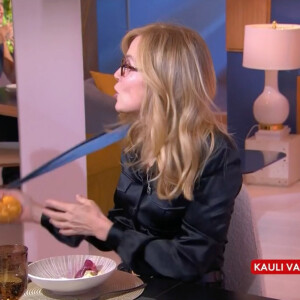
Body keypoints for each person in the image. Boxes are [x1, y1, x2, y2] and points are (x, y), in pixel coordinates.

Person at [2, 23, 242, 285]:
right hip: (136, 283)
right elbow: (121, 228)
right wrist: (33, 211)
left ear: (162, 79)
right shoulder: (137, 142)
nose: (116, 74)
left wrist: (103, 228)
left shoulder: (216, 154)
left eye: (127, 67)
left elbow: (191, 261)